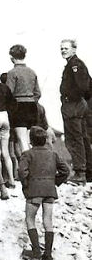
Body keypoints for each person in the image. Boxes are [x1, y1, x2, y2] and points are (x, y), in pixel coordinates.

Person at [18, 126, 70, 260]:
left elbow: (22, 172)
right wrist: (54, 182)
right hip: (49, 191)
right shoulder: (53, 154)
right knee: (48, 221)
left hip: (34, 191)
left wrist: (26, 185)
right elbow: (65, 171)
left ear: (31, 140)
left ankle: (36, 252)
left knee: (30, 219)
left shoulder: (27, 154)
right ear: (45, 140)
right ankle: (48, 255)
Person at [59, 39, 92, 184]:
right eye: (62, 48)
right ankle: (87, 171)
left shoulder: (75, 65)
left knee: (74, 138)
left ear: (74, 49)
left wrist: (70, 98)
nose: (63, 51)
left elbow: (83, 87)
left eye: (66, 48)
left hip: (73, 105)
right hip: (77, 104)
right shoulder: (74, 64)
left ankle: (80, 172)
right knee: (82, 137)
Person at [6, 44, 41, 154]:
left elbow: (9, 93)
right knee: (30, 140)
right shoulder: (32, 72)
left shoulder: (12, 73)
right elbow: (38, 93)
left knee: (22, 140)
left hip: (19, 107)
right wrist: (31, 100)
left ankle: (27, 163)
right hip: (31, 106)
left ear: (12, 57)